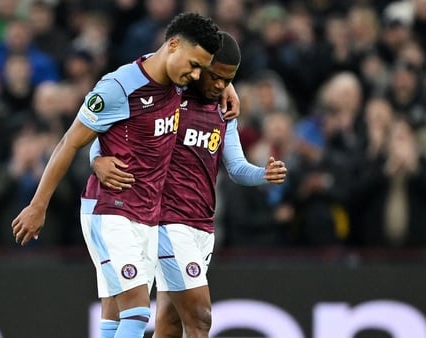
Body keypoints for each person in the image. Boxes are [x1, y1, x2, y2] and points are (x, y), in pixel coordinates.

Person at [11, 13, 229, 338]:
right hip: (110, 210)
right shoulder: (120, 87)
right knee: (138, 311)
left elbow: (216, 76)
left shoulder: (179, 82)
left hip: (148, 216)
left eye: (202, 69)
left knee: (113, 316)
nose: (196, 75)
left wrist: (231, 89)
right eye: (195, 65)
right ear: (172, 45)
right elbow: (69, 142)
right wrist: (38, 205)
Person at [91, 32, 288, 337]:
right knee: (201, 317)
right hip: (168, 221)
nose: (221, 85)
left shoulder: (224, 109)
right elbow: (111, 128)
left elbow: (234, 166)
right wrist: (97, 158)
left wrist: (262, 173)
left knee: (169, 323)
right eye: (217, 76)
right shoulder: (169, 94)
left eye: (229, 79)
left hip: (202, 225)